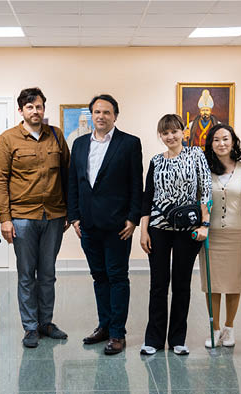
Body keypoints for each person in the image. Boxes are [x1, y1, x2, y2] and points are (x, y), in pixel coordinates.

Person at [0, 87, 70, 348]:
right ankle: (30, 327)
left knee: (48, 273)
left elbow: (68, 175)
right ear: (21, 110)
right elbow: (0, 179)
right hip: (23, 217)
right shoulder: (8, 139)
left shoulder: (56, 136)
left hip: (54, 216)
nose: (35, 111)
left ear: (44, 109)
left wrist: (69, 210)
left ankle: (46, 322)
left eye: (38, 106)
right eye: (29, 107)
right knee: (27, 274)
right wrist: (5, 218)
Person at [68, 94, 143, 355]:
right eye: (97, 112)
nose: (101, 116)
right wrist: (74, 217)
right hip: (88, 225)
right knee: (99, 277)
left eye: (106, 112)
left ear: (115, 116)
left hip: (118, 226)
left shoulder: (129, 143)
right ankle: (104, 326)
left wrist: (133, 218)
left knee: (117, 277)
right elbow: (73, 183)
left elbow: (137, 184)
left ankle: (117, 333)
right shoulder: (78, 144)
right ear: (91, 115)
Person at [139, 114, 211, 356]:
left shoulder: (196, 155)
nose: (170, 136)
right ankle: (154, 339)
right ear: (160, 135)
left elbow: (206, 191)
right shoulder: (156, 161)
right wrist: (143, 231)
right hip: (158, 229)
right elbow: (147, 197)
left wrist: (205, 224)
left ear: (183, 132)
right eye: (165, 132)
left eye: (174, 131)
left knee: (182, 284)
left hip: (187, 230)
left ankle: (178, 339)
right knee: (158, 285)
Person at [200, 124, 241, 348]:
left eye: (225, 139)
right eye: (216, 140)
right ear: (211, 144)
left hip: (238, 233)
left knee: (234, 283)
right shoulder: (204, 168)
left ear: (233, 141)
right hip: (212, 235)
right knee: (212, 284)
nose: (221, 143)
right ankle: (215, 328)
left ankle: (229, 328)